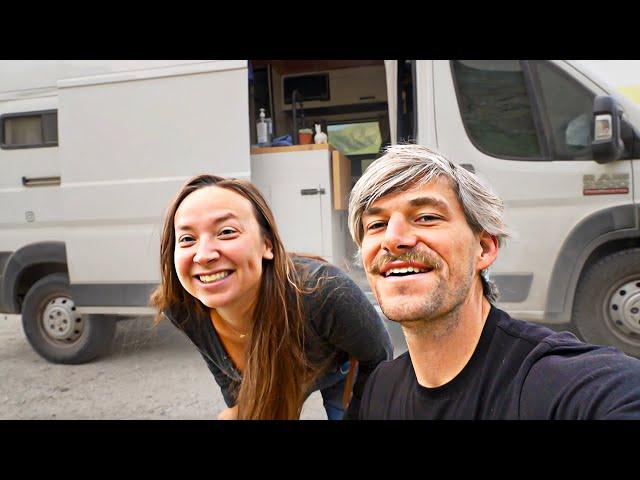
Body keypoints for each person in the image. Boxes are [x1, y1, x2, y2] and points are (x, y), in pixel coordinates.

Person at [347, 144, 640, 419]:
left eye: (425, 217)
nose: (394, 239)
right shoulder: (379, 390)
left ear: (484, 249)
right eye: (376, 225)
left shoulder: (551, 382)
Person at [151, 174, 392, 420]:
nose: (203, 256)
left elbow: (379, 357)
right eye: (187, 238)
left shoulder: (324, 291)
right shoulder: (182, 308)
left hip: (337, 365)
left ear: (267, 245)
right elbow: (227, 375)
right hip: (278, 374)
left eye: (226, 232)